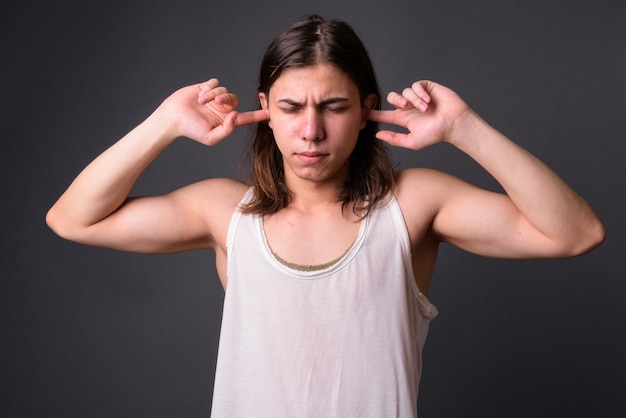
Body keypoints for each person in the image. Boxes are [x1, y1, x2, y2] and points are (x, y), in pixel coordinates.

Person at [46, 15, 604, 417]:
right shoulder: (224, 213)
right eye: (290, 108)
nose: (311, 131)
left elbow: (577, 233)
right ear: (265, 111)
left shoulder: (412, 204)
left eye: (333, 107)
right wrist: (164, 123)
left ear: (366, 109)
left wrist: (466, 130)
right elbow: (73, 219)